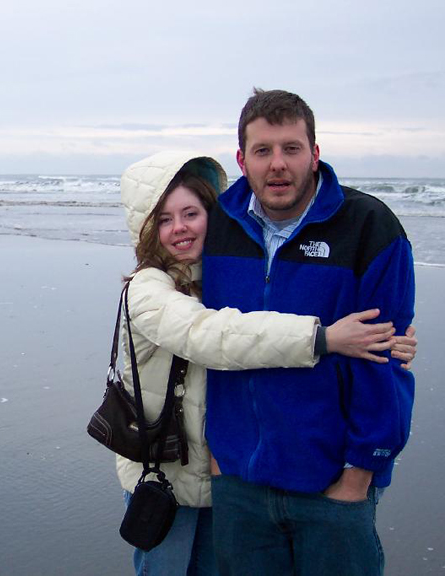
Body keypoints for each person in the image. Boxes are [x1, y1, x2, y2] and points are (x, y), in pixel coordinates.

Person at [116, 150, 417, 576]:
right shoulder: (147, 291)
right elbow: (215, 336)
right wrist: (325, 338)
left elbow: (268, 315)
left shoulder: (218, 277)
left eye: (191, 213)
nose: (180, 228)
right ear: (146, 230)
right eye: (164, 220)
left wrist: (387, 340)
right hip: (169, 478)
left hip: (226, 478)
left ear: (213, 214)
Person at [202, 89, 416, 575]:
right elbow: (188, 321)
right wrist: (220, 459)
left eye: (291, 148)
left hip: (332, 488)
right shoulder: (217, 225)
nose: (277, 164)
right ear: (241, 159)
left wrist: (358, 475)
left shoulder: (370, 227)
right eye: (262, 151)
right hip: (238, 484)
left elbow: (387, 360)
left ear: (315, 153)